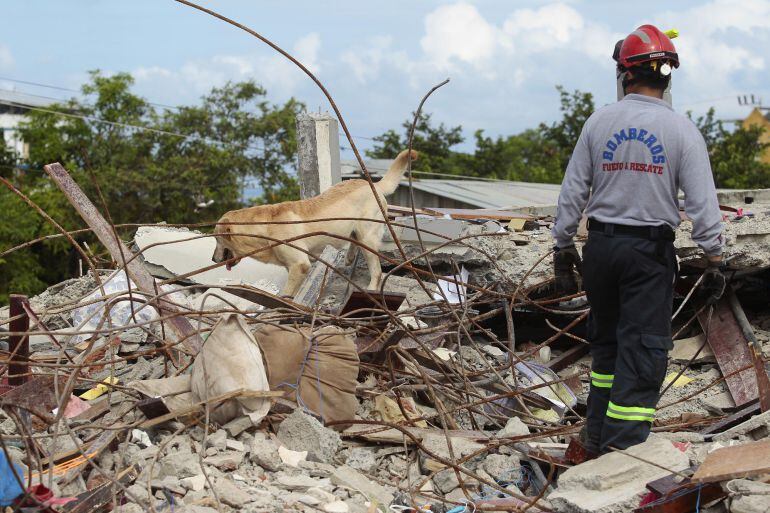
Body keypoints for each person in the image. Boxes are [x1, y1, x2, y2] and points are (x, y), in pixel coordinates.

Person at [551, 24, 726, 455]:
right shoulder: (682, 131)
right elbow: (703, 204)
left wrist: (562, 245)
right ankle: (622, 452)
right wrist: (715, 256)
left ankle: (595, 436)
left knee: (607, 343)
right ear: (668, 77)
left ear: (625, 74)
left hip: (602, 251)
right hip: (648, 254)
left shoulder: (599, 122)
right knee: (644, 347)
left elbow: (573, 191)